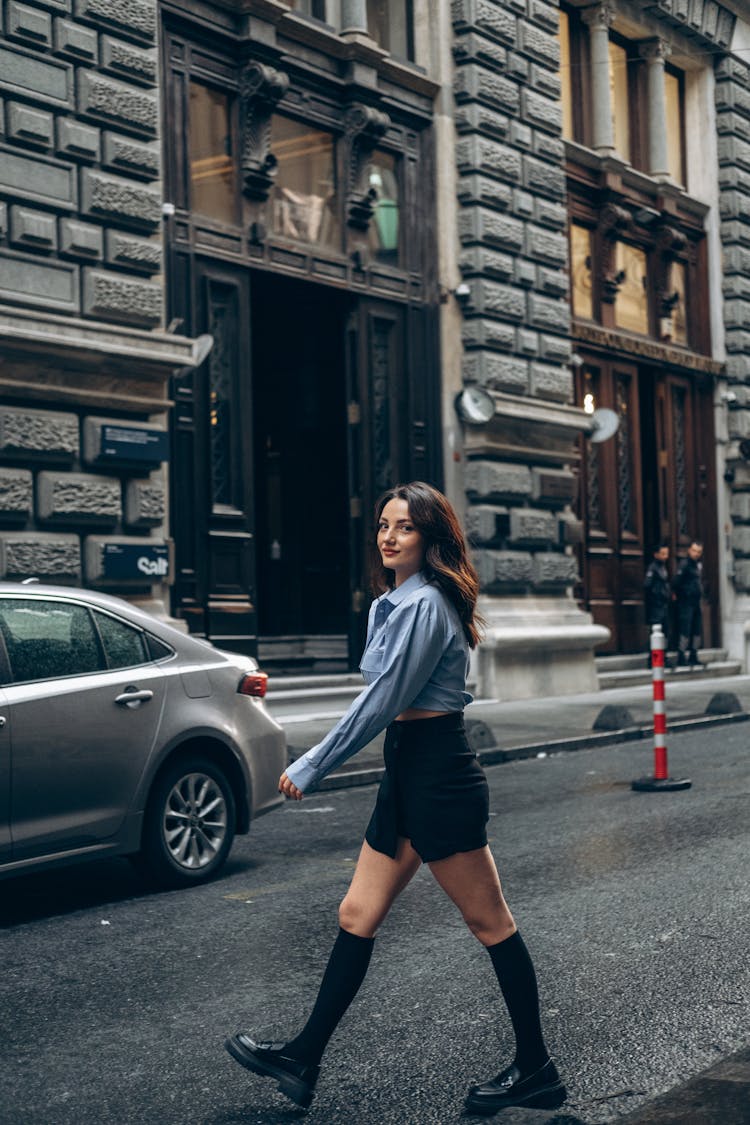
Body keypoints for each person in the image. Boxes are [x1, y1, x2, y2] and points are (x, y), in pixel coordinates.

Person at [225, 481, 566, 1115]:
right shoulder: (396, 602)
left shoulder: (425, 607)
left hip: (439, 775)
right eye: (384, 525)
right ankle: (302, 1057)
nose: (388, 536)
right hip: (408, 774)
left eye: (404, 527)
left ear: (430, 538)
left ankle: (536, 1068)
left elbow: (382, 702)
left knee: (490, 924)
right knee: (357, 915)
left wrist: (314, 762)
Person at [672, 540, 704, 667]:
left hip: (696, 602)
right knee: (685, 629)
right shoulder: (684, 564)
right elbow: (675, 582)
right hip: (686, 603)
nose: (696, 554)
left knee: (696, 629)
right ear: (689, 551)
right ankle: (681, 656)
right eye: (694, 551)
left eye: (699, 552)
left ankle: (693, 655)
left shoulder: (697, 565)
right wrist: (681, 595)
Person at [644, 544, 672, 668]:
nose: (665, 556)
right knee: (656, 632)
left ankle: (663, 656)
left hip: (664, 605)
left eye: (667, 553)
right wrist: (657, 595)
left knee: (665, 632)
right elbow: (647, 585)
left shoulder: (663, 567)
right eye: (663, 554)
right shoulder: (653, 568)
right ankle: (653, 659)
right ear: (656, 555)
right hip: (656, 606)